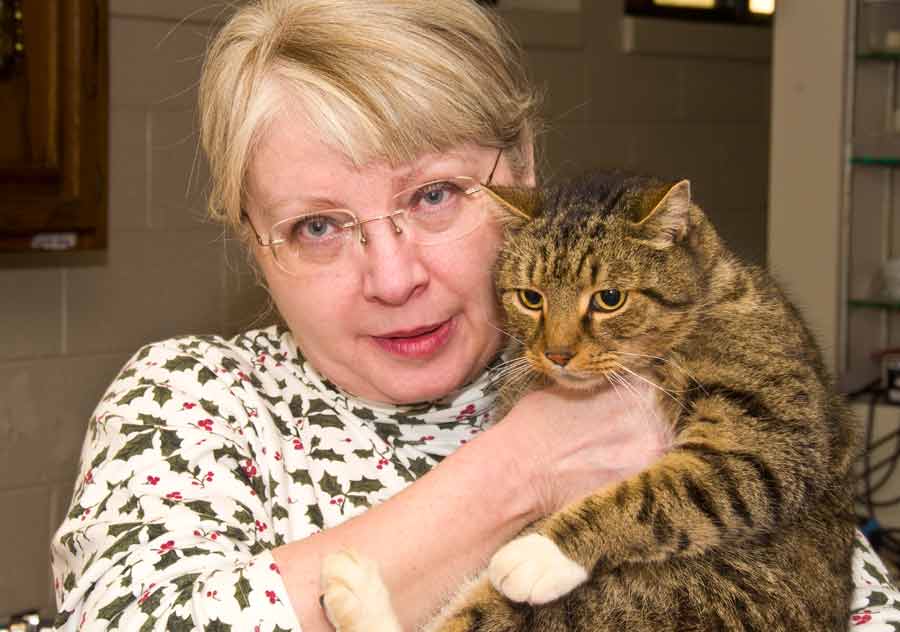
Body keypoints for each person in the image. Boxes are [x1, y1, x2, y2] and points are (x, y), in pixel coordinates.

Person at [51, 1, 899, 630]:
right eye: (316, 226)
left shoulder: (664, 358)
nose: (393, 279)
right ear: (251, 241)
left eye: (435, 195)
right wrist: (522, 468)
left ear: (522, 175)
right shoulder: (190, 402)